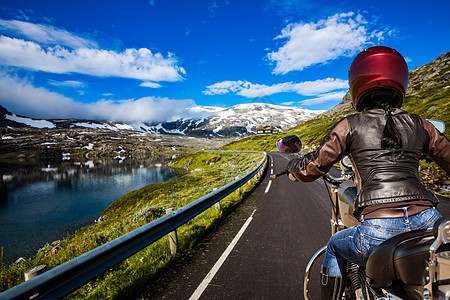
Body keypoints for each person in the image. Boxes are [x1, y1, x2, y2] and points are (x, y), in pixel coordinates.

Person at [284, 46, 450, 299]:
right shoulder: (421, 123)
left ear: (358, 82)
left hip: (379, 227)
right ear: (399, 79)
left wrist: (293, 168)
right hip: (430, 219)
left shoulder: (349, 125)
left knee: (335, 246)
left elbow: (312, 167)